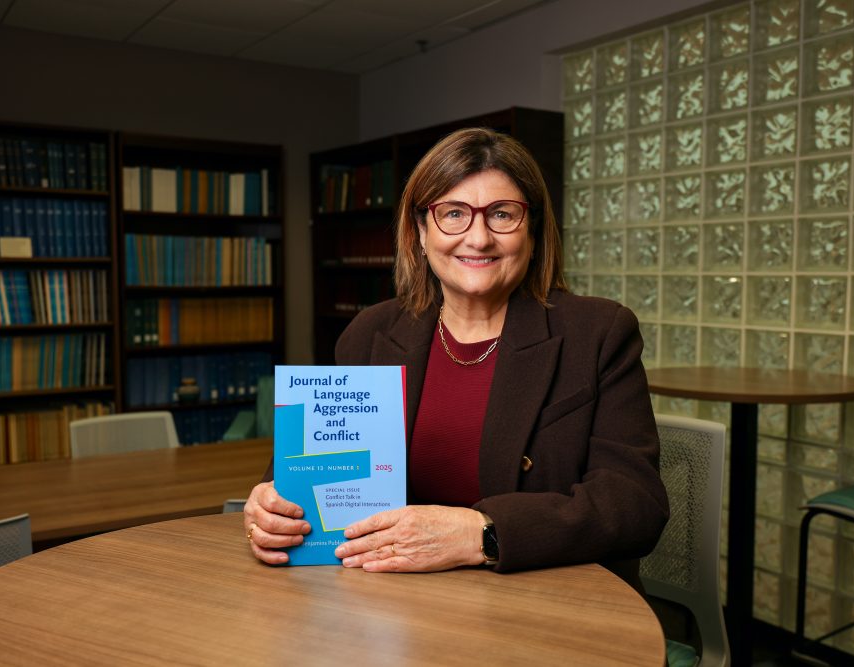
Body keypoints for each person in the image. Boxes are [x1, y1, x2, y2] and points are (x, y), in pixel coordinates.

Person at [243, 127, 668, 592]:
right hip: (391, 599)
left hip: (545, 601)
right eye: (453, 214)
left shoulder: (599, 333)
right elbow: (305, 473)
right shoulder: (370, 334)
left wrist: (482, 533)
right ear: (421, 232)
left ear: (534, 230)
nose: (478, 238)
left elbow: (635, 505)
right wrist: (270, 507)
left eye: (502, 214)